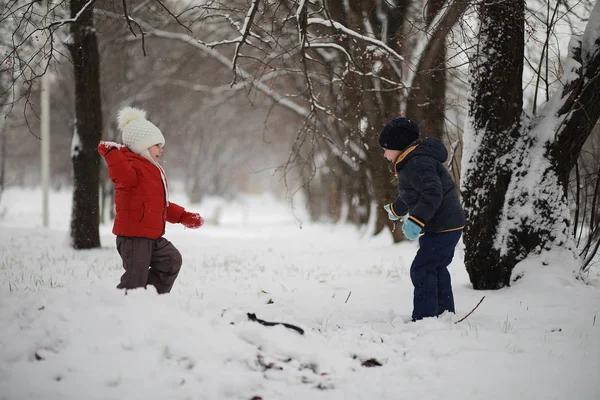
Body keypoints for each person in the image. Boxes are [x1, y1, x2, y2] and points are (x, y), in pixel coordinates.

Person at [98, 106, 204, 294]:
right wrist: (112, 153)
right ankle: (121, 306)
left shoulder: (152, 170)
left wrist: (183, 217)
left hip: (151, 236)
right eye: (157, 145)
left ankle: (150, 298)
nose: (161, 150)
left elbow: (159, 205)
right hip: (133, 237)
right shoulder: (129, 166)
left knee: (171, 261)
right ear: (142, 145)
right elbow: (121, 175)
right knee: (134, 280)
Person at [379, 117, 465, 321]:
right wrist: (396, 209)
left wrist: (416, 220)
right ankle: (444, 313)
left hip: (442, 225)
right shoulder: (412, 162)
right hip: (445, 225)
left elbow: (431, 194)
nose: (384, 154)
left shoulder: (417, 163)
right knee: (436, 267)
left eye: (386, 148)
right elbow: (411, 194)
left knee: (422, 268)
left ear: (398, 145)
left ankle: (425, 317)